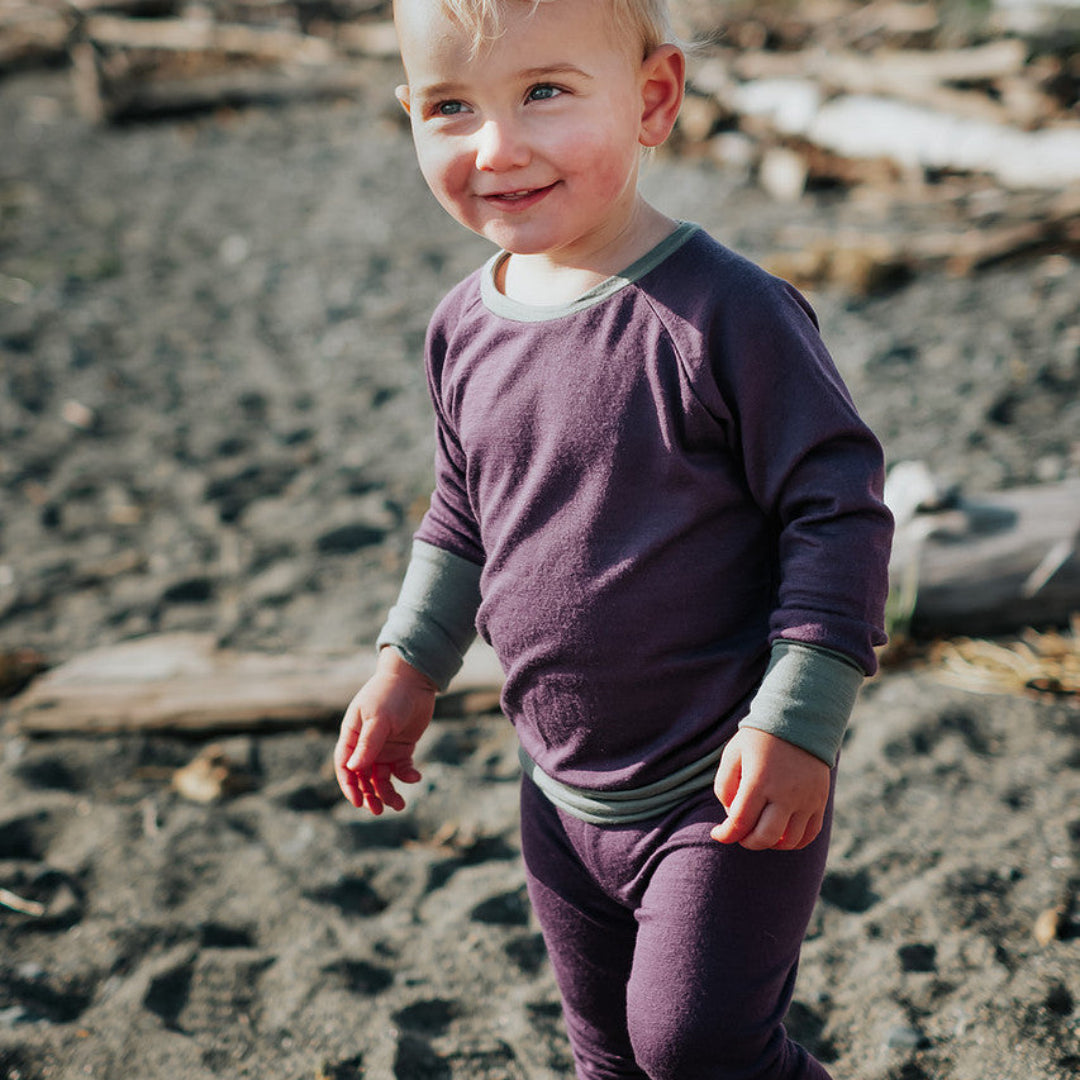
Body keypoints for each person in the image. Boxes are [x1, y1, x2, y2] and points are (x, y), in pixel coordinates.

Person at [334, 1, 894, 1077]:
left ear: (653, 99)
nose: (497, 148)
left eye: (545, 91)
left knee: (697, 1048)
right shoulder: (463, 325)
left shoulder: (723, 312)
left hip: (725, 784)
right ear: (408, 115)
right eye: (452, 107)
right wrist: (407, 664)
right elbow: (462, 513)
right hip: (559, 790)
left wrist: (801, 719)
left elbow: (839, 509)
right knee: (608, 1059)